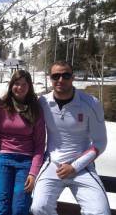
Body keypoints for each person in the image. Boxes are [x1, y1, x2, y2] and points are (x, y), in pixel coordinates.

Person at [31, 61, 111, 215]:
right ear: (50, 78)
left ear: (73, 77)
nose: (60, 80)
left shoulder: (90, 103)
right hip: (52, 164)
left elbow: (100, 142)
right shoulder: (43, 102)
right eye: (56, 76)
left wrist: (74, 166)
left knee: (100, 211)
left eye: (65, 75)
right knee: (39, 207)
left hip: (82, 166)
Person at [0, 70, 45, 215]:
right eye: (16, 83)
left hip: (26, 161)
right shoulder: (0, 107)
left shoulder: (36, 109)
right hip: (4, 160)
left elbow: (39, 145)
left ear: (29, 86)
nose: (20, 87)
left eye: (24, 84)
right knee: (2, 206)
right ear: (11, 85)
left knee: (20, 208)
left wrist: (33, 173)